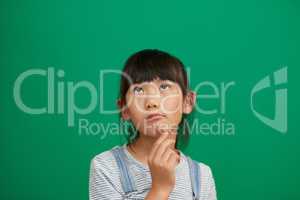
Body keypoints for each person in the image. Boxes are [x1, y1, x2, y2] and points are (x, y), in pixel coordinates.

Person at [89, 49, 217, 200]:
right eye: (138, 90)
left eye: (164, 87)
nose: (152, 102)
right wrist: (160, 189)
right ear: (124, 109)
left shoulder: (202, 176)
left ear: (187, 102)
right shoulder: (106, 167)